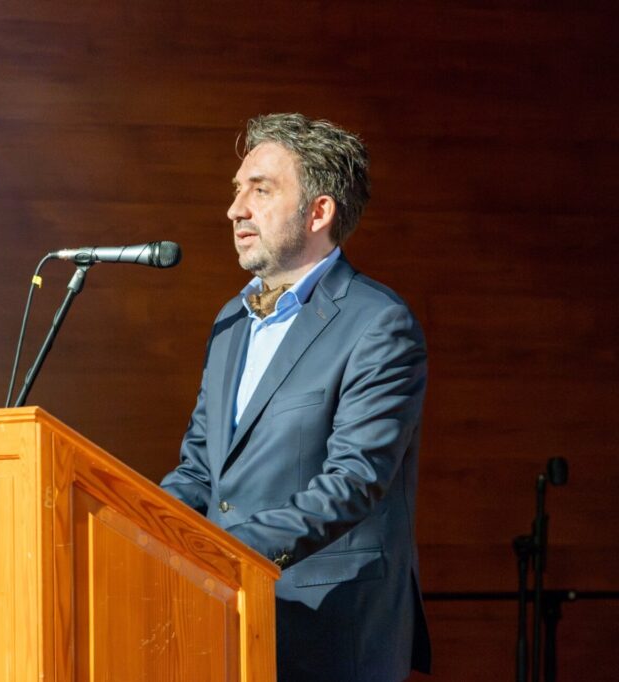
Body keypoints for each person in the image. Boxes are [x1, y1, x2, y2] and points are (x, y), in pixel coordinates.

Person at [161, 113, 431, 681]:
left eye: (260, 190)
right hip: (228, 620)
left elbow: (354, 479)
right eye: (237, 190)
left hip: (331, 631)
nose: (235, 209)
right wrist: (144, 529)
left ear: (319, 212)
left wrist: (224, 550)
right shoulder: (231, 320)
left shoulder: (378, 323)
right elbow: (200, 470)